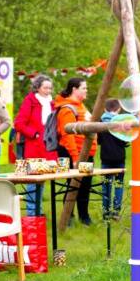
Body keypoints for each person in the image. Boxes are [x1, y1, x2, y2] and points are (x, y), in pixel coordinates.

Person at [55, 77, 96, 225]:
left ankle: (84, 217)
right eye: (84, 88)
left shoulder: (81, 106)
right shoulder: (67, 109)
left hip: (85, 154)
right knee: (73, 185)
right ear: (74, 89)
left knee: (85, 186)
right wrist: (75, 157)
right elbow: (67, 136)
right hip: (72, 154)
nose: (86, 91)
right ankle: (68, 217)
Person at [15, 74, 56, 216]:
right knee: (32, 181)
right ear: (37, 87)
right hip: (33, 147)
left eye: (50, 88)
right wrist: (34, 134)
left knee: (42, 181)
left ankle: (38, 212)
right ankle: (32, 214)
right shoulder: (30, 101)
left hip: (47, 148)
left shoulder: (52, 103)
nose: (48, 91)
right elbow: (19, 123)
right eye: (45, 88)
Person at [98, 99, 127, 221]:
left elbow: (99, 140)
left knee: (106, 184)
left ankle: (106, 212)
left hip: (106, 157)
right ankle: (116, 211)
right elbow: (124, 139)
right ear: (118, 109)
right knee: (118, 184)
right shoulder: (121, 122)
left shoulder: (100, 121)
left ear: (105, 109)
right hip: (119, 157)